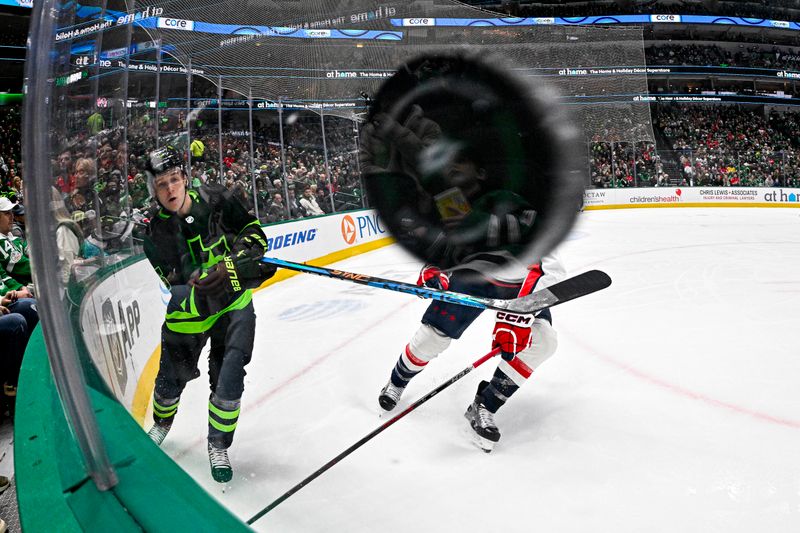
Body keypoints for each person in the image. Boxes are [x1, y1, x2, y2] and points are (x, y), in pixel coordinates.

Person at [141, 145, 276, 483]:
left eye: (174, 180)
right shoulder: (153, 234)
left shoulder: (218, 198)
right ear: (152, 190)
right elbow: (180, 283)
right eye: (161, 185)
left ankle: (218, 444)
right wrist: (220, 276)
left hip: (235, 309)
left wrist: (238, 263)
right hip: (189, 317)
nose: (170, 190)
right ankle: (161, 422)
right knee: (169, 382)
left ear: (185, 177)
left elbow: (255, 235)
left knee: (229, 381)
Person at [0, 197, 32, 294]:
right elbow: (25, 267)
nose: (12, 217)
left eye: (11, 213)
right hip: (23, 291)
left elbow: (33, 252)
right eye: (6, 213)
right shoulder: (2, 243)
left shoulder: (13, 238)